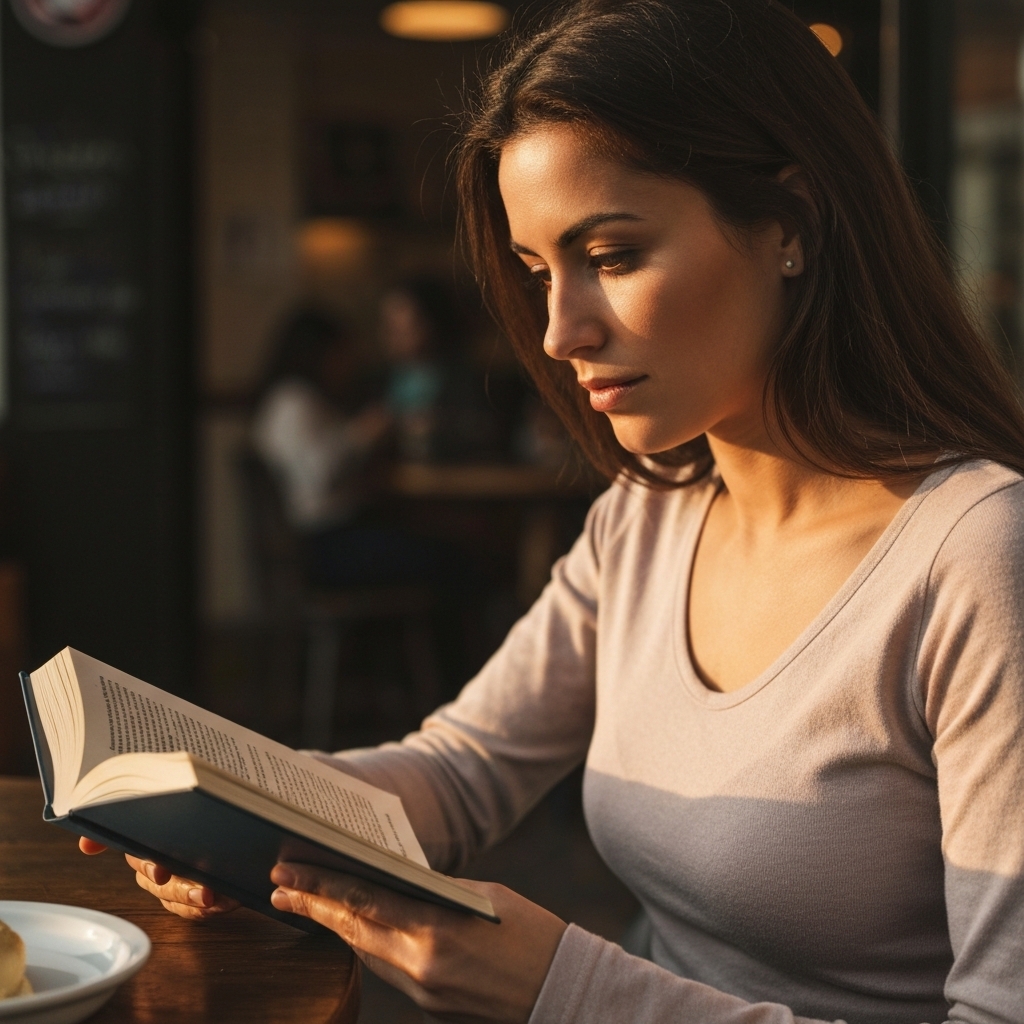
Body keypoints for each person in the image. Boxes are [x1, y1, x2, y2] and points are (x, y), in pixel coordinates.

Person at [80, 2, 1024, 1022]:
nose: (560, 331)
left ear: (787, 227)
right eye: (537, 273)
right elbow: (466, 766)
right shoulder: (649, 515)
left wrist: (566, 987)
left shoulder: (976, 556)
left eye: (612, 257)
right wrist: (254, 817)